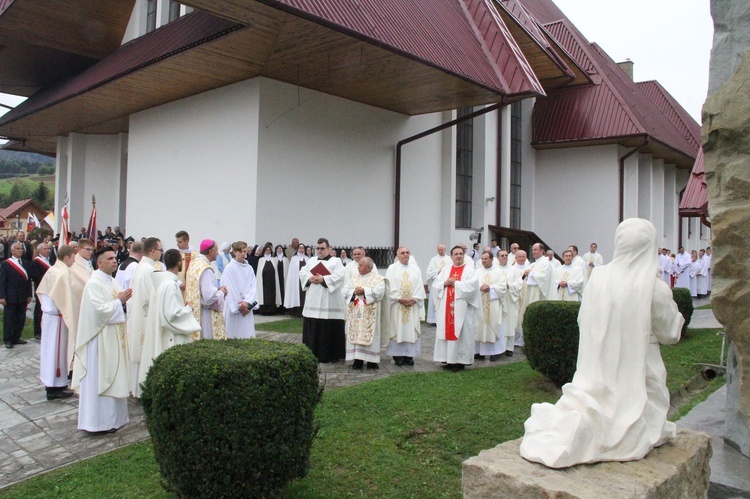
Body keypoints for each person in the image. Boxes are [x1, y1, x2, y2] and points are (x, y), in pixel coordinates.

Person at [520, 218, 682, 468]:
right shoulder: (653, 287)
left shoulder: (599, 276)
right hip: (638, 366)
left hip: (595, 363)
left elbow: (583, 317)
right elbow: (671, 332)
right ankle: (633, 427)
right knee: (638, 405)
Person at [72, 247, 132, 434]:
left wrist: (122, 302)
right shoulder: (94, 284)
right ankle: (98, 423)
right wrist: (119, 302)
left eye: (115, 258)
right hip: (99, 341)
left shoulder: (112, 281)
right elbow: (98, 312)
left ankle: (115, 419)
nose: (115, 261)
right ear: (99, 263)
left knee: (114, 375)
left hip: (113, 337)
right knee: (100, 377)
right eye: (110, 258)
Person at [137, 249, 202, 391]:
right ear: (179, 262)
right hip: (171, 336)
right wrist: (188, 309)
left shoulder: (163, 283)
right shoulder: (170, 285)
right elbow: (172, 315)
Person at [36, 245, 76, 400]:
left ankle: (55, 383)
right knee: (56, 351)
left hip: (50, 316)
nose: (74, 261)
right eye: (73, 257)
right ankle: (54, 387)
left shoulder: (54, 269)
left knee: (50, 350)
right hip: (57, 316)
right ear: (66, 257)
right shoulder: (62, 273)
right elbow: (63, 299)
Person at [433, 245, 479, 371]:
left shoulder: (470, 270)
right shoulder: (445, 270)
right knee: (446, 331)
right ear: (451, 256)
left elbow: (472, 287)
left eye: (460, 254)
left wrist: (456, 283)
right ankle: (449, 360)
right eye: (456, 254)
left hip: (462, 309)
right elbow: (435, 285)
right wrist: (444, 283)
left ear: (463, 255)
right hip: (446, 307)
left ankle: (460, 361)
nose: (458, 256)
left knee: (462, 333)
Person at [300, 238, 346, 363]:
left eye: (322, 248)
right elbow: (302, 272)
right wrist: (309, 278)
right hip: (313, 300)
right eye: (318, 248)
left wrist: (323, 279)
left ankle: (330, 355)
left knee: (327, 329)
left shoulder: (336, 261)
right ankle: (311, 353)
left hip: (329, 301)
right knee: (314, 326)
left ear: (329, 249)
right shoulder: (311, 261)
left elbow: (341, 275)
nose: (319, 251)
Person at [126, 237, 162, 397]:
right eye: (160, 250)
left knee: (140, 353)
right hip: (146, 317)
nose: (161, 253)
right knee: (145, 353)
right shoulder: (148, 270)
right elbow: (152, 297)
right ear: (152, 251)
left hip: (139, 314)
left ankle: (137, 388)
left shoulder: (142, 266)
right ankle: (142, 390)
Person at [343, 257, 388, 369]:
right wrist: (354, 291)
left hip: (370, 314)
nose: (358, 267)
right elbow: (344, 290)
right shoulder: (353, 279)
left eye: (361, 265)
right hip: (356, 313)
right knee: (356, 333)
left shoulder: (378, 279)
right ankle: (357, 360)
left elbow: (380, 292)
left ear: (368, 267)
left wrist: (365, 291)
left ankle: (371, 361)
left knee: (370, 334)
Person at [385, 246, 425, 366]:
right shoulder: (392, 268)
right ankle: (397, 356)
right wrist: (399, 298)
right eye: (402, 253)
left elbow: (419, 285)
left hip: (412, 305)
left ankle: (409, 356)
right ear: (397, 255)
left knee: (410, 330)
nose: (405, 255)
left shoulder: (416, 269)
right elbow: (389, 285)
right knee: (397, 329)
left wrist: (415, 299)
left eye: (407, 252)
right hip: (397, 305)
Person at [517, 243, 558, 347]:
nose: (534, 252)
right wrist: (527, 273)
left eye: (536, 250)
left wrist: (530, 273)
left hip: (540, 294)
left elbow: (543, 278)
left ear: (542, 251)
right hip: (530, 293)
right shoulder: (532, 264)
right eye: (533, 250)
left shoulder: (546, 263)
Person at [185, 239, 227, 340]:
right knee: (207, 340)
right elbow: (209, 298)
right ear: (211, 252)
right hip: (205, 315)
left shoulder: (194, 264)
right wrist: (222, 292)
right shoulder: (206, 269)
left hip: (195, 312)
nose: (218, 253)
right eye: (216, 250)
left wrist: (215, 289)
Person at [474, 251, 507, 362]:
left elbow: (503, 287)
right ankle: (479, 352)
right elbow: (472, 285)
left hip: (493, 303)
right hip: (480, 302)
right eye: (482, 259)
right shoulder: (477, 272)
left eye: (486, 259)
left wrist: (490, 288)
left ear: (492, 260)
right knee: (479, 326)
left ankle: (495, 352)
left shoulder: (498, 272)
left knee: (493, 325)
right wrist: (480, 287)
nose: (483, 261)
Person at [222, 241, 259, 339]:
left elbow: (253, 287)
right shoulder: (229, 268)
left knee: (247, 335)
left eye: (245, 251)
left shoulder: (249, 268)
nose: (243, 254)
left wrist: (247, 302)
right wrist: (239, 306)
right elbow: (229, 288)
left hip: (246, 307)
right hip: (234, 307)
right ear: (234, 252)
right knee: (232, 335)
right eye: (240, 251)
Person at [68, 239, 94, 371]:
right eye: (87, 249)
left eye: (91, 250)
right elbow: (82, 282)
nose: (90, 252)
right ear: (79, 249)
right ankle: (73, 366)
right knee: (76, 333)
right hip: (78, 303)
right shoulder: (75, 264)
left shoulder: (89, 263)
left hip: (89, 303)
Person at [1, 242, 33, 349]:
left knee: (20, 318)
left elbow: (28, 281)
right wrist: (2, 296)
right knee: (9, 318)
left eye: (21, 249)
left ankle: (16, 337)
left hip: (23, 295)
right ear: (12, 251)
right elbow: (2, 281)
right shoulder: (6, 264)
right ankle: (8, 339)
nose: (20, 250)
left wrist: (29, 294)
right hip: (10, 296)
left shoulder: (26, 263)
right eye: (18, 249)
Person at [497, 249, 523, 356]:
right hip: (498, 301)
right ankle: (498, 349)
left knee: (510, 323)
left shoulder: (514, 270)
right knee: (499, 323)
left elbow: (519, 284)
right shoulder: (495, 270)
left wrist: (509, 286)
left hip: (511, 300)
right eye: (502, 255)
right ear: (497, 258)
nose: (504, 257)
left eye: (506, 255)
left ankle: (509, 348)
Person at [29, 242, 53, 340]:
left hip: (51, 289)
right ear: (39, 251)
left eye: (48, 249)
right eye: (45, 249)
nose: (47, 250)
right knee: (39, 309)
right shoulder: (36, 262)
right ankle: (38, 331)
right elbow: (36, 276)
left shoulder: (50, 260)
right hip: (41, 289)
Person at [425, 244, 451, 325]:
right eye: (439, 250)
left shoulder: (449, 259)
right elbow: (429, 272)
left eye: (442, 249)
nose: (440, 251)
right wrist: (438, 272)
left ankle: (445, 318)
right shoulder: (433, 260)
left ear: (445, 249)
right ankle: (434, 320)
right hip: (436, 284)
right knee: (434, 301)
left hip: (446, 284)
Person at [255, 244, 281, 315]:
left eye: (269, 250)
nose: (268, 251)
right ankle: (264, 311)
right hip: (264, 282)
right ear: (264, 251)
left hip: (272, 282)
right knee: (264, 296)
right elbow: (259, 272)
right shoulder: (261, 260)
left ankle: (272, 311)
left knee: (272, 296)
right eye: (266, 250)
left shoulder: (274, 260)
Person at [284, 243, 308, 317]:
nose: (301, 249)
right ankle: (296, 312)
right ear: (298, 249)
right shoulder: (294, 259)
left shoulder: (307, 259)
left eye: (302, 248)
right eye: (300, 248)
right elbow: (292, 272)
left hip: (305, 280)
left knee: (304, 296)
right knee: (296, 295)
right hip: (296, 281)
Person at [275, 244, 288, 310]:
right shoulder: (274, 259)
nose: (279, 250)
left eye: (281, 248)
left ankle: (283, 308)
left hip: (284, 278)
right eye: (278, 249)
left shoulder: (286, 259)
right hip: (277, 278)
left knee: (283, 291)